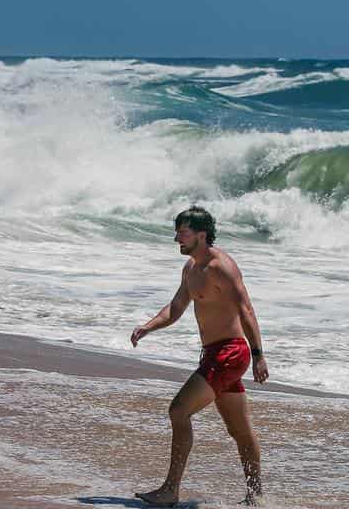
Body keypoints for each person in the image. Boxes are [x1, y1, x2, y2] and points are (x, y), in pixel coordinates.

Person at [131, 206, 269, 506]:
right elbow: (176, 308)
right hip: (212, 354)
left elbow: (246, 309)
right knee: (239, 430)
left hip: (231, 352)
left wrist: (258, 354)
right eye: (177, 232)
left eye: (183, 233)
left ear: (201, 235)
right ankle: (256, 498)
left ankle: (170, 491)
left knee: (179, 410)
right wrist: (148, 327)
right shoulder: (191, 268)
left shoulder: (222, 267)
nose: (176, 238)